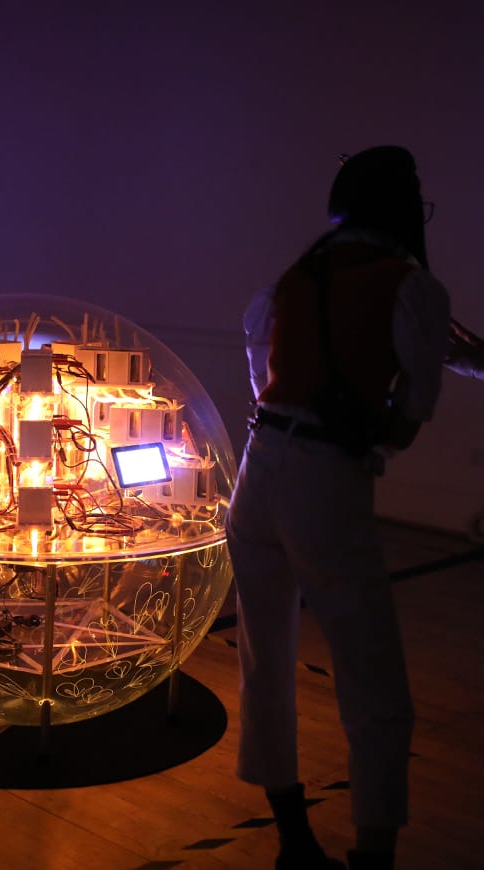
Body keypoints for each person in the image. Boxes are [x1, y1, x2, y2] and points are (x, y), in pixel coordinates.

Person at [226, 146, 450, 870]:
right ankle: (374, 857)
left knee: (267, 667)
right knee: (373, 679)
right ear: (405, 210)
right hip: (325, 484)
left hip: (257, 478)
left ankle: (295, 843)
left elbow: (259, 355)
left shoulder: (298, 274)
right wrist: (370, 424)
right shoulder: (412, 285)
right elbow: (412, 415)